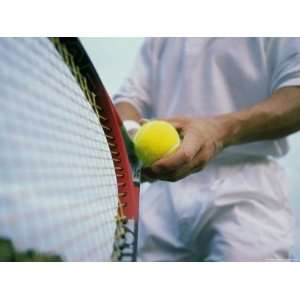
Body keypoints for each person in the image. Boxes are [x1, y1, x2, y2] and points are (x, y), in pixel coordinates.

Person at [113, 38, 300, 261]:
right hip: (162, 194)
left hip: (248, 189)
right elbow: (129, 98)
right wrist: (132, 133)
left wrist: (218, 131)